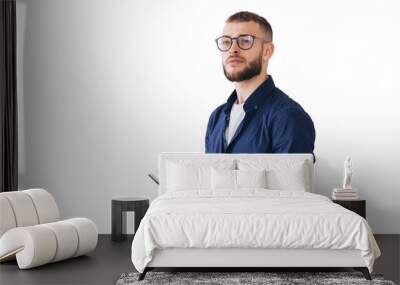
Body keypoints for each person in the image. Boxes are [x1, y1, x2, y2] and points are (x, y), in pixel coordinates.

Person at [205, 11, 316, 162]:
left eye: (245, 41)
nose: (232, 49)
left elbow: (289, 185)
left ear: (267, 51)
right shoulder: (216, 118)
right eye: (226, 42)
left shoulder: (288, 117)